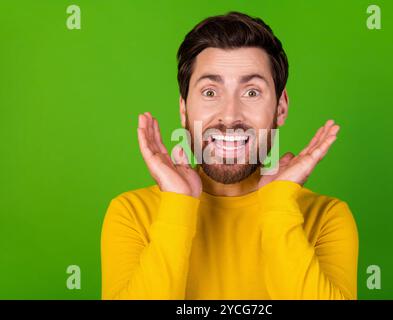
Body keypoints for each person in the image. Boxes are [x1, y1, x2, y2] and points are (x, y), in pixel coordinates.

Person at [101, 11, 358, 300]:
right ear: (184, 108)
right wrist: (177, 207)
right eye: (210, 92)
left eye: (251, 92)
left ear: (281, 107)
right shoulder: (132, 214)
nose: (230, 116)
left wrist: (278, 206)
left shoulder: (326, 218)